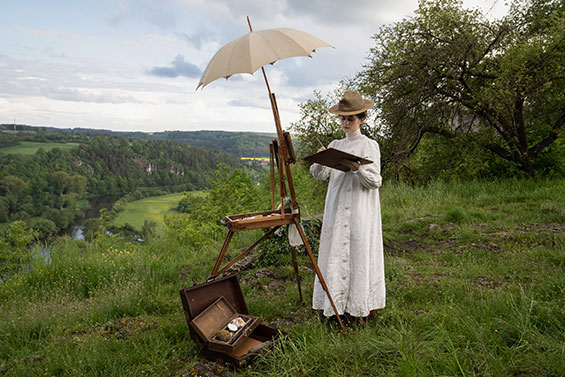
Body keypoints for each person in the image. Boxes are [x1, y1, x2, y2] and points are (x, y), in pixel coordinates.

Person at [310, 90, 385, 323]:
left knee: (358, 254)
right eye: (342, 118)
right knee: (336, 253)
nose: (345, 122)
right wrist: (320, 159)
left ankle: (358, 309)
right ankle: (334, 308)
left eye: (350, 118)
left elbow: (376, 181)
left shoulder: (370, 145)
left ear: (362, 119)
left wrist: (357, 168)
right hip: (336, 207)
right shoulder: (335, 144)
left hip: (360, 211)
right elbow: (319, 176)